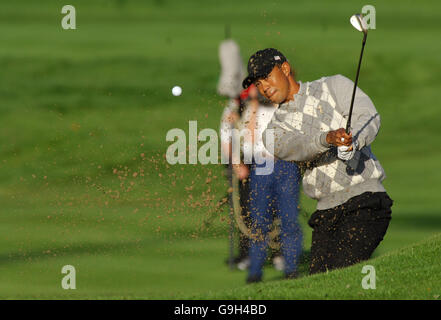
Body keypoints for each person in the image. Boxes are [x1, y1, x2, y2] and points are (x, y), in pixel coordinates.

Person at [242, 48, 393, 274]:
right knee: (320, 283)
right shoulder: (273, 130)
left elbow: (368, 115)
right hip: (326, 214)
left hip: (366, 202)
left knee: (342, 275)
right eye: (258, 83)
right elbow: (299, 147)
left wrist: (354, 141)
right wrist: (328, 138)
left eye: (267, 77)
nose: (264, 87)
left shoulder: (334, 86)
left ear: (285, 68)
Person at [232, 85, 302, 283]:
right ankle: (255, 271)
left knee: (289, 220)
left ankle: (291, 269)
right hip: (261, 166)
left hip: (286, 165)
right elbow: (247, 143)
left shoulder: (286, 108)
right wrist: (253, 105)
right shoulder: (253, 111)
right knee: (259, 222)